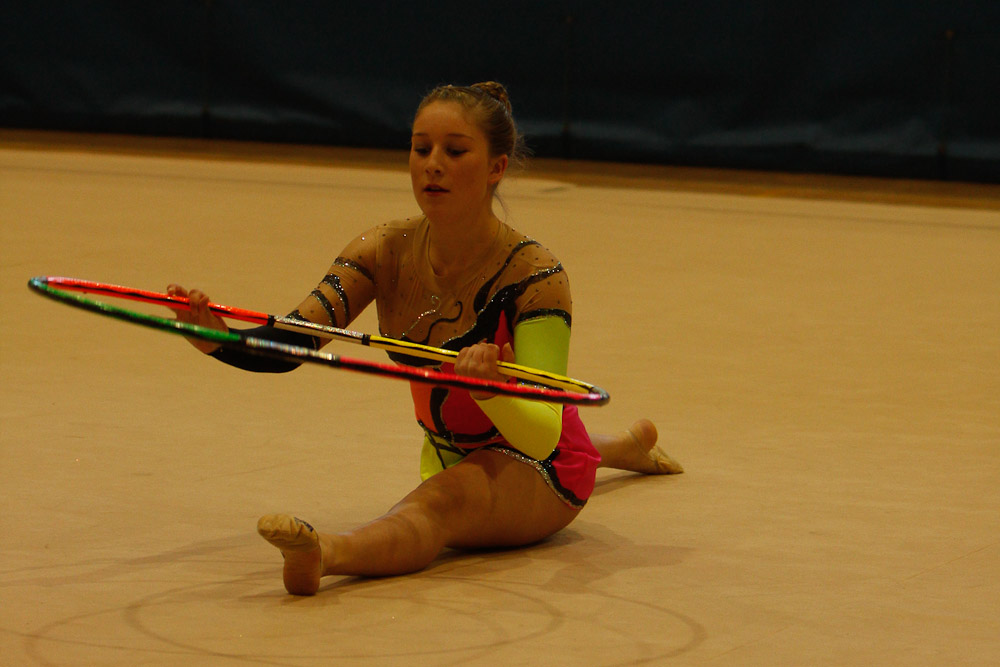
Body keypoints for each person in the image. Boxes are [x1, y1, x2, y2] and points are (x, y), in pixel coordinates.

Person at [168, 82, 682, 596]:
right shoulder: (381, 251)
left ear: (496, 167)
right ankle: (625, 446)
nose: (432, 165)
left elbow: (544, 433)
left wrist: (489, 392)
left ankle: (327, 553)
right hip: (449, 448)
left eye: (454, 152)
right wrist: (220, 340)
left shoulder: (535, 276)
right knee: (454, 481)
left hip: (542, 464)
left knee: (437, 506)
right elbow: (295, 341)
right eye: (420, 148)